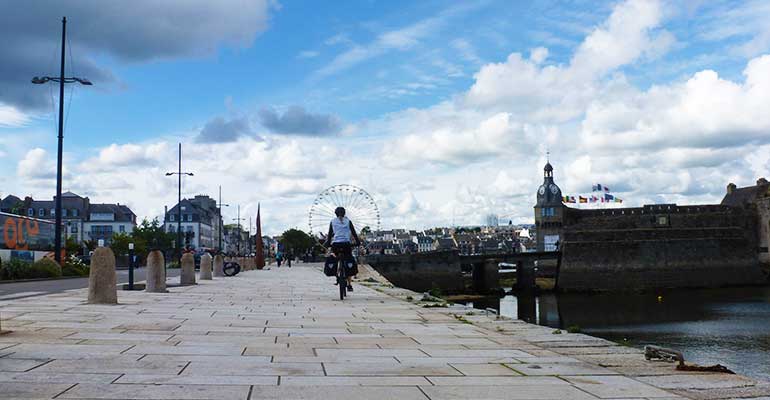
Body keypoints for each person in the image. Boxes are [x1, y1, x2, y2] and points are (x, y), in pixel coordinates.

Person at [323, 207, 361, 291]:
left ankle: (337, 274)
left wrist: (329, 244)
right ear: (344, 213)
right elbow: (354, 233)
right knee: (348, 259)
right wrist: (357, 242)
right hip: (346, 244)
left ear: (335, 213)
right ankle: (349, 284)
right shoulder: (348, 221)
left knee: (334, 257)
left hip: (336, 244)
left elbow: (329, 235)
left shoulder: (332, 222)